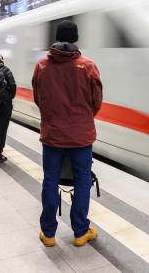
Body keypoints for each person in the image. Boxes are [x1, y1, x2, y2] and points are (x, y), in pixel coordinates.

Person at [32, 20, 103, 247]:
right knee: (82, 180)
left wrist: (53, 118)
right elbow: (97, 101)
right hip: (81, 136)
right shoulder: (88, 66)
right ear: (76, 39)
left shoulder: (42, 66)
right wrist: (82, 118)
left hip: (52, 135)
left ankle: (49, 233)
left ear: (56, 37)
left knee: (50, 180)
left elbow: (38, 98)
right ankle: (81, 232)